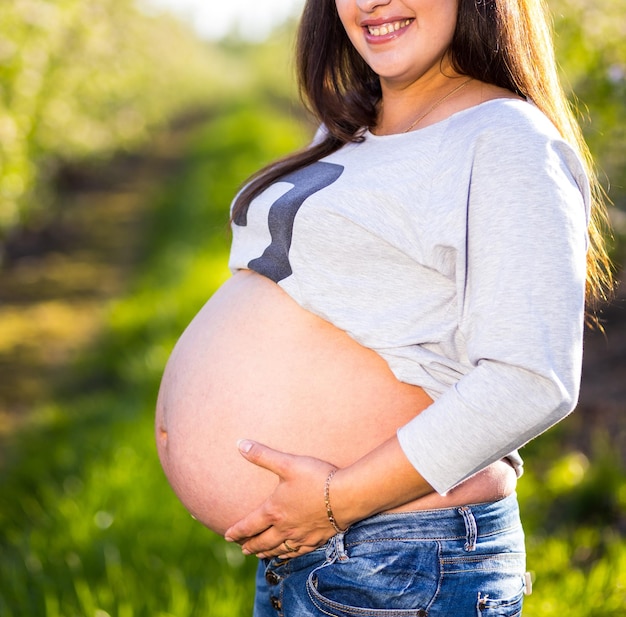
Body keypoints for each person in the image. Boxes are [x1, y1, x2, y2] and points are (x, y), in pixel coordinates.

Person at [155, 0, 613, 615]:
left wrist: (337, 499)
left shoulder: (506, 140)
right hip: (327, 555)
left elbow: (532, 377)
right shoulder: (348, 131)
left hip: (401, 558)